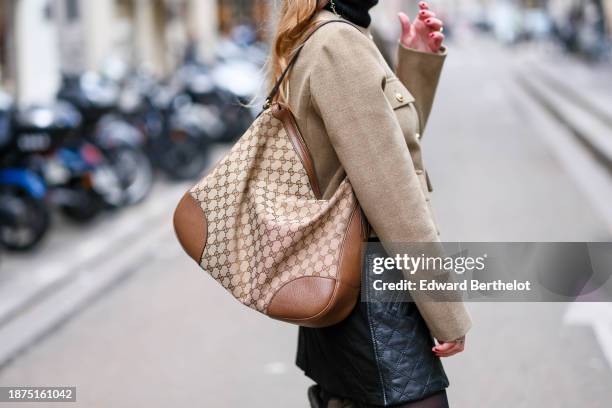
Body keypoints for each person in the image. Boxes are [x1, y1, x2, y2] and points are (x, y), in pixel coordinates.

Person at [265, 1, 472, 407]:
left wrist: (417, 64)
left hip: (348, 287)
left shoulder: (333, 33)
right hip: (373, 298)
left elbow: (386, 149)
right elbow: (392, 193)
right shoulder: (338, 43)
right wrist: (445, 311)